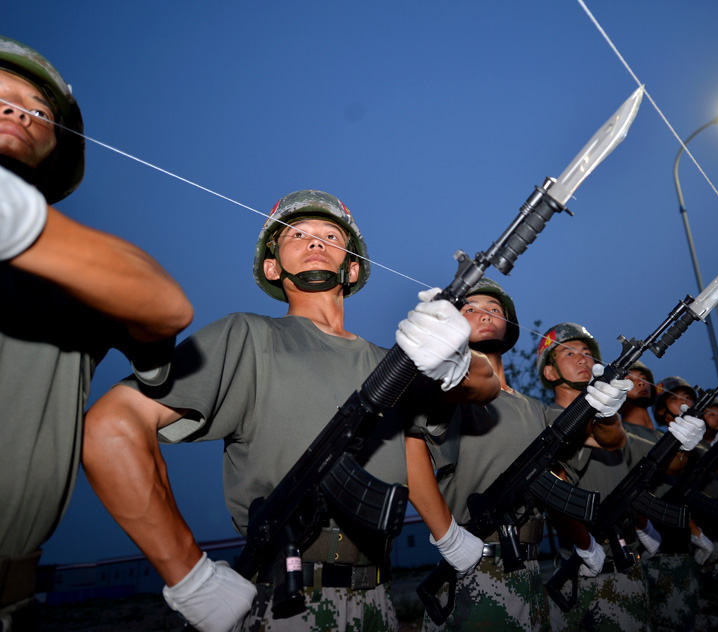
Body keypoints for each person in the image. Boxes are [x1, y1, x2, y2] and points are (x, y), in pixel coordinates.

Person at [82, 190, 498, 632]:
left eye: (330, 235)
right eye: (296, 234)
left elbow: (485, 388)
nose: (315, 242)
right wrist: (189, 576)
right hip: (284, 601)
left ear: (351, 266)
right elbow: (111, 426)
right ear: (272, 266)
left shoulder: (388, 365)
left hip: (380, 598)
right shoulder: (247, 337)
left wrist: (457, 362)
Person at [0, 36, 193, 626]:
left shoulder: (83, 277)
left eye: (38, 109)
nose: (17, 110)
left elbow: (165, 306)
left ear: (55, 143)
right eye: (0, 98)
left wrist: (21, 224)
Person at [414, 282, 630, 631]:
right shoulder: (447, 391)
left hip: (528, 568)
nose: (484, 312)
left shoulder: (535, 410)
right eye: (470, 308)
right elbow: (412, 455)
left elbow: (609, 441)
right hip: (473, 561)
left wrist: (606, 411)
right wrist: (447, 536)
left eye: (494, 309)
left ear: (509, 327)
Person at [535, 322, 654, 631]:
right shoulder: (543, 420)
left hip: (628, 559)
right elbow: (553, 488)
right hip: (584, 564)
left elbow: (615, 447)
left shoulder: (610, 421)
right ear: (549, 373)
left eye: (587, 353)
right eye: (569, 353)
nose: (582, 359)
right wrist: (585, 543)